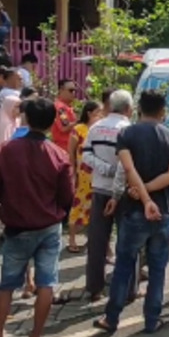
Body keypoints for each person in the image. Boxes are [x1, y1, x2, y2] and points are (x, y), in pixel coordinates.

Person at [0, 96, 73, 337]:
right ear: (52, 122)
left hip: (17, 226)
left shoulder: (6, 151)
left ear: (26, 118)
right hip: (49, 226)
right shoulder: (58, 155)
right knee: (46, 283)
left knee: (7, 285)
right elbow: (66, 197)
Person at [93, 90, 169, 334]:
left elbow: (128, 169)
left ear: (139, 109)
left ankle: (111, 318)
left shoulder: (127, 134)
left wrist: (143, 197)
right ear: (163, 111)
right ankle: (152, 319)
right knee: (158, 268)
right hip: (163, 211)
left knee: (124, 265)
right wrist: (151, 195)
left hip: (134, 210)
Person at [80, 89, 132, 301]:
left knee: (97, 241)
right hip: (124, 193)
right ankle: (127, 288)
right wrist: (115, 173)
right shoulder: (128, 130)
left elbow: (86, 154)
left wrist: (103, 168)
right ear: (128, 109)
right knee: (126, 241)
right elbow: (128, 164)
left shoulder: (96, 127)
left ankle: (94, 288)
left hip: (99, 188)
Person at [67, 100, 103, 254]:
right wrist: (72, 172)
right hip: (83, 175)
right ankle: (72, 238)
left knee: (94, 208)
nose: (101, 115)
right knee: (79, 205)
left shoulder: (100, 129)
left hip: (98, 173)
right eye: (98, 112)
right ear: (89, 113)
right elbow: (71, 152)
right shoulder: (78, 129)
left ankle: (91, 238)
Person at [52, 78, 78, 154]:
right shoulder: (60, 107)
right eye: (71, 90)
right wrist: (80, 121)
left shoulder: (66, 106)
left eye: (74, 90)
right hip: (64, 149)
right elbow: (65, 127)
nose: (73, 93)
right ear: (61, 90)